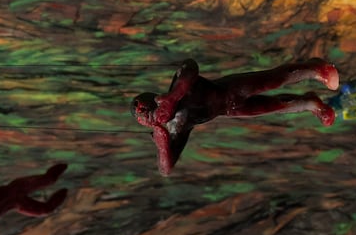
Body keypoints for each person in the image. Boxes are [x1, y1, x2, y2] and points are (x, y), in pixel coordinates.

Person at [133, 57, 338, 175]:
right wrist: (162, 146)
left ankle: (316, 69)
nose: (154, 117)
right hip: (231, 110)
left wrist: (173, 97)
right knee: (276, 106)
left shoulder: (178, 86)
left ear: (156, 98)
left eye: (148, 110)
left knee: (274, 79)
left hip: (231, 88)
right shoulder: (177, 127)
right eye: (147, 120)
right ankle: (312, 104)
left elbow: (190, 67)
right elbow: (165, 170)